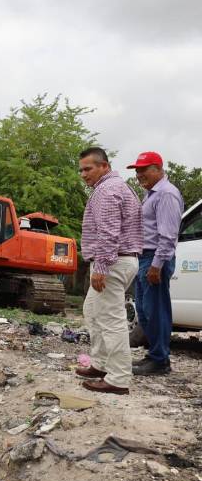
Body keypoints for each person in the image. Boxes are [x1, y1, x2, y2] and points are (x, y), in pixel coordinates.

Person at [76, 147, 142, 394]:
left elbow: (109, 232)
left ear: (104, 166)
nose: (83, 174)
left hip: (112, 262)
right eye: (81, 169)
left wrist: (100, 267)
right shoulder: (114, 187)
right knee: (92, 310)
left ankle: (118, 379)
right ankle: (101, 364)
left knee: (111, 320)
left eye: (88, 168)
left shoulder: (107, 190)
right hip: (120, 260)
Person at [127, 151, 183, 376]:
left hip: (155, 258)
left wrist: (156, 265)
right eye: (137, 170)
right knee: (144, 310)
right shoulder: (151, 194)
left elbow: (168, 236)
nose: (139, 174)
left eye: (144, 169)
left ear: (158, 169)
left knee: (156, 310)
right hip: (145, 257)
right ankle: (154, 355)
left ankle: (160, 360)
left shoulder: (167, 194)